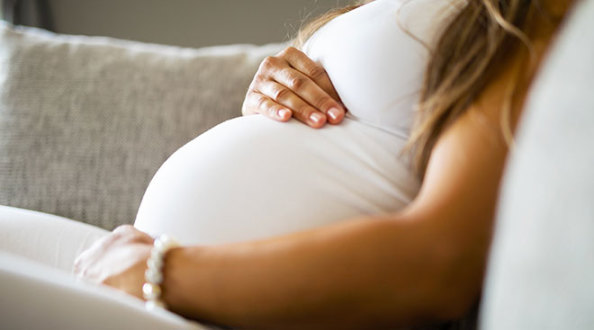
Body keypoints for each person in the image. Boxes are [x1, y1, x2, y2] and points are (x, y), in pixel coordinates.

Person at [1, 0, 575, 329]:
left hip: (195, 302)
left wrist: (160, 274)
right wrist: (274, 100)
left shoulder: (532, 14)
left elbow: (439, 259)